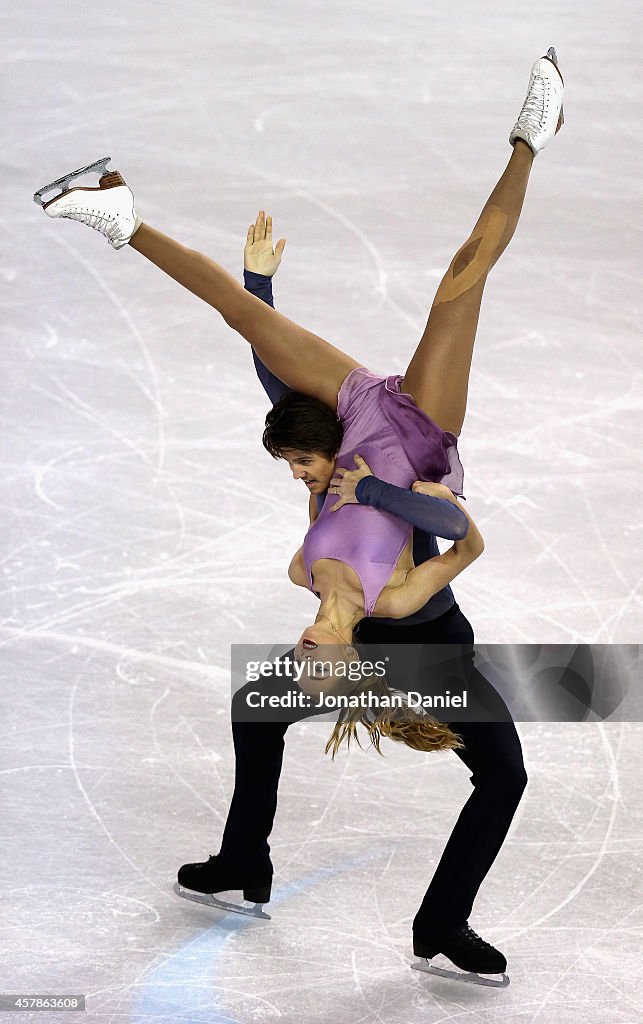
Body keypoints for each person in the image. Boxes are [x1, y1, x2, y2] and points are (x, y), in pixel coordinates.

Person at [35, 49, 564, 981]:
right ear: (346, 661)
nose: (300, 657)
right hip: (423, 470)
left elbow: (291, 416)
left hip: (362, 417)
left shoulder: (301, 569)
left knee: (254, 709)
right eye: (320, 665)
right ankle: (531, 138)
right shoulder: (390, 606)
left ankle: (121, 214)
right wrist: (379, 494)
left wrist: (264, 288)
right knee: (461, 278)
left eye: (301, 660)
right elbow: (455, 532)